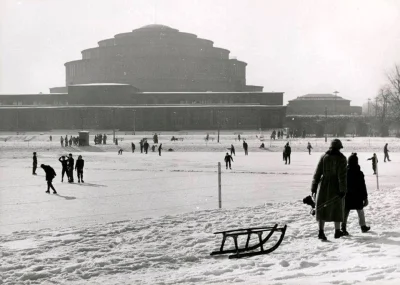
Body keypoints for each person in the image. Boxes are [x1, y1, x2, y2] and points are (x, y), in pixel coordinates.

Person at [311, 139, 347, 241]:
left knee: (321, 209)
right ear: (339, 148)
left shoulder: (324, 157)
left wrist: (314, 187)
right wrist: (343, 190)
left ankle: (321, 232)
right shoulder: (342, 159)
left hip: (323, 185)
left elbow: (317, 174)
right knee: (337, 208)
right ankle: (337, 231)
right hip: (336, 186)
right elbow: (342, 176)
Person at [341, 153, 370, 235]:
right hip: (358, 197)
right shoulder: (359, 173)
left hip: (347, 196)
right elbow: (363, 186)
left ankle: (343, 228)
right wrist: (365, 198)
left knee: (345, 212)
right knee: (360, 211)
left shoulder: (345, 172)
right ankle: (363, 226)